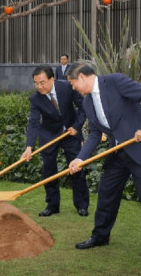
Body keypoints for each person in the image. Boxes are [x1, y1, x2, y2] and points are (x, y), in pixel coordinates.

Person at [66, 63, 141, 257]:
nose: (73, 88)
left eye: (72, 83)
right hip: (118, 151)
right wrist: (79, 159)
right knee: (106, 192)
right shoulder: (88, 103)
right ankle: (100, 236)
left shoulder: (115, 81)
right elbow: (95, 134)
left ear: (82, 77)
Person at [22, 65, 89, 217]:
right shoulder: (35, 98)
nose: (39, 86)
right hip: (49, 134)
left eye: (42, 82)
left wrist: (77, 126)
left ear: (52, 79)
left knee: (76, 167)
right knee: (49, 170)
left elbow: (83, 107)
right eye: (36, 83)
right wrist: (29, 146)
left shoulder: (67, 87)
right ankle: (52, 205)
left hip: (71, 133)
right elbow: (33, 122)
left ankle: (81, 205)